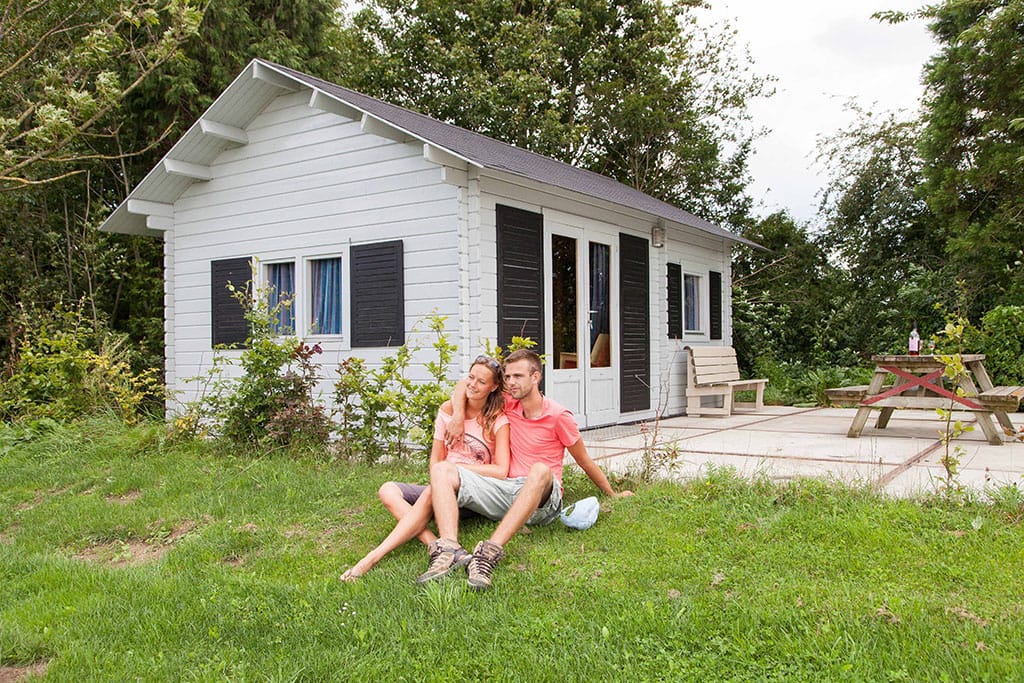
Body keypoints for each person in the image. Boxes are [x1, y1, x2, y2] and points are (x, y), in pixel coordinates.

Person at [420, 348, 633, 589]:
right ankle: (448, 548)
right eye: (508, 376)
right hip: (508, 492)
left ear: (535, 377)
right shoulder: (510, 404)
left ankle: (487, 553)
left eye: (518, 376)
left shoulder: (558, 416)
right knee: (442, 469)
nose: (511, 382)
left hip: (543, 499)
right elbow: (464, 385)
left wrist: (611, 493)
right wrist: (458, 416)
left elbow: (584, 460)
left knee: (540, 469)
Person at [340, 355, 510, 581]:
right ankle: (438, 545)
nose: (473, 384)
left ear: (493, 387)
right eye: (471, 377)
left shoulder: (497, 420)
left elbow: (501, 471)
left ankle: (373, 557)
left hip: (472, 493)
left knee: (436, 483)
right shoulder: (448, 411)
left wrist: (456, 468)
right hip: (442, 485)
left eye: (481, 382)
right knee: (388, 490)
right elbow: (435, 460)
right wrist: (457, 416)